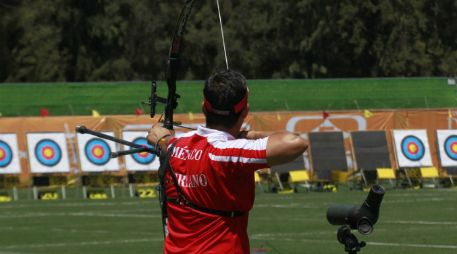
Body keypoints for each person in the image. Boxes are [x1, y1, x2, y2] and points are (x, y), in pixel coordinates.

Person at [147, 70, 308, 254]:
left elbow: (158, 136)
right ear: (245, 111)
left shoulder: (175, 145)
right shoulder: (227, 153)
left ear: (203, 107)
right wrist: (252, 136)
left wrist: (162, 140)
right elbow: (297, 142)